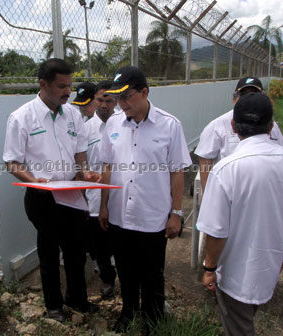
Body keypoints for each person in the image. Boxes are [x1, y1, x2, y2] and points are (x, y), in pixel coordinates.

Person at [197, 92, 283, 336]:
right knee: (248, 316)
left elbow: (216, 231)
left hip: (236, 274)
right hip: (269, 266)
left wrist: (209, 268)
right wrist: (281, 252)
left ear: (233, 126)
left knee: (239, 327)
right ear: (271, 126)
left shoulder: (226, 170)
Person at [2, 58, 101, 322]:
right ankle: (54, 306)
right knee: (48, 253)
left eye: (69, 85)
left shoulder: (72, 115)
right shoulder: (22, 117)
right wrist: (33, 179)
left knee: (76, 251)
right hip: (42, 197)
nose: (68, 91)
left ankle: (77, 299)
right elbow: (12, 162)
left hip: (72, 193)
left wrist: (84, 173)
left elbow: (80, 151)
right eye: (61, 86)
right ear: (43, 84)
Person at [98, 66, 192, 331]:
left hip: (152, 216)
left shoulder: (169, 125)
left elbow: (176, 172)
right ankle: (128, 312)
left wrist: (177, 213)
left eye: (126, 96)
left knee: (152, 275)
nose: (121, 104)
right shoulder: (114, 124)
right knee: (125, 272)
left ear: (144, 92)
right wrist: (104, 206)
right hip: (119, 215)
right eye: (117, 98)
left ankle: (152, 320)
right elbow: (108, 167)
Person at [195, 76, 283, 192]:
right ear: (234, 99)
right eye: (243, 95)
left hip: (265, 188)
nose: (249, 100)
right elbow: (205, 160)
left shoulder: (270, 124)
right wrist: (207, 194)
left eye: (254, 94)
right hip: (231, 190)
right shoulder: (217, 126)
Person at [84, 80, 118, 300]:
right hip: (95, 198)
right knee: (99, 245)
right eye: (100, 100)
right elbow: (80, 162)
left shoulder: (124, 125)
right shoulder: (85, 130)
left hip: (121, 195)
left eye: (108, 100)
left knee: (122, 241)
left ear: (115, 101)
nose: (104, 105)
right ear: (94, 101)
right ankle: (107, 279)